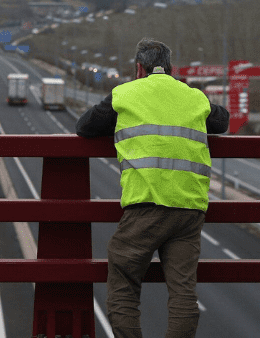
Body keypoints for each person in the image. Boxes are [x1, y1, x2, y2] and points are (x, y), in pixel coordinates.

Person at [75, 38, 229, 338]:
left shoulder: (124, 94)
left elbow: (85, 127)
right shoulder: (193, 96)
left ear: (138, 68)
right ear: (172, 70)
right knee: (183, 291)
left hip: (145, 206)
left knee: (123, 283)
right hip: (189, 209)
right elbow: (221, 122)